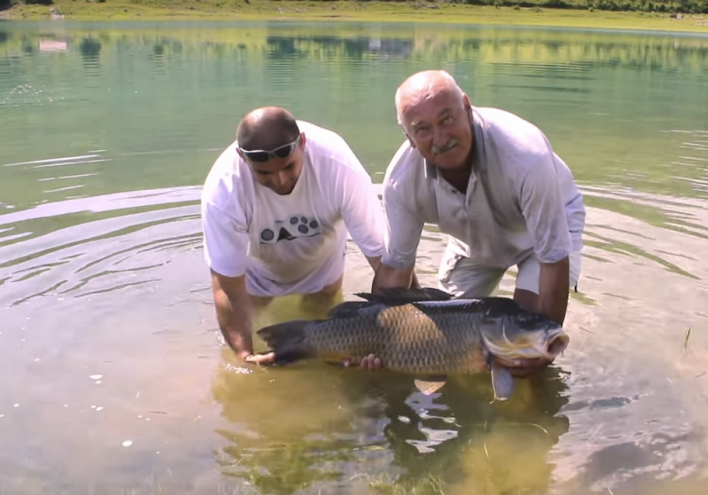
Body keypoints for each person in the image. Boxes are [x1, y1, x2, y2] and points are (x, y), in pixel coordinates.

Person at [368, 70, 586, 375]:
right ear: (409, 137)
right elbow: (395, 269)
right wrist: (374, 341)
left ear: (467, 109)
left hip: (539, 239)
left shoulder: (526, 157)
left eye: (447, 119)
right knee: (445, 343)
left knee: (521, 347)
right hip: (472, 240)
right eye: (423, 129)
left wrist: (542, 351)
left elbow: (552, 259)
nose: (441, 139)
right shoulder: (401, 181)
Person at [201, 106, 387, 365]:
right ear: (243, 159)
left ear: (302, 144)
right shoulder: (224, 190)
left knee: (325, 323)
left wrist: (390, 340)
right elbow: (228, 288)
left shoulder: (338, 166)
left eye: (289, 166)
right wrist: (245, 358)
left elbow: (384, 260)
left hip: (323, 260)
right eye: (264, 173)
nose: (280, 180)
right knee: (255, 324)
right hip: (260, 272)